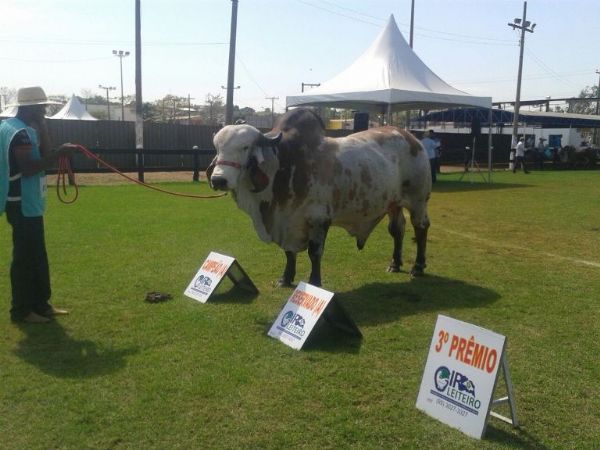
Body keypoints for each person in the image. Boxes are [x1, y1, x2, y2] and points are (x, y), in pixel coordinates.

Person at [0, 86, 77, 324]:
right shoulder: (20, 133)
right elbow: (30, 167)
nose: (44, 109)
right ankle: (21, 311)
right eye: (41, 106)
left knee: (36, 255)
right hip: (22, 202)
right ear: (31, 107)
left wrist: (43, 128)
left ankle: (41, 305)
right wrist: (60, 152)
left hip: (28, 202)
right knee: (25, 256)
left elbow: (44, 152)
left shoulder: (14, 128)